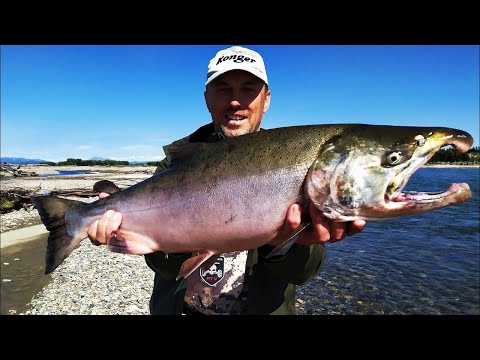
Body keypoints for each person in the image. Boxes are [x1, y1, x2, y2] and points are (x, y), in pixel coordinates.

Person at [87, 46, 366, 315]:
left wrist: (284, 244)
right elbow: (163, 267)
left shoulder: (296, 163)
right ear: (207, 98)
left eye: (248, 89)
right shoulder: (176, 162)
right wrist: (124, 229)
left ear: (266, 99)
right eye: (224, 89)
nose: (235, 101)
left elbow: (304, 273)